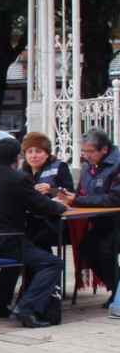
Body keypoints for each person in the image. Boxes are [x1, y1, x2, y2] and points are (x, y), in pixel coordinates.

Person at [0, 138, 68, 327]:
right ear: (18, 157)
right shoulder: (19, 178)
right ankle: (27, 308)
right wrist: (59, 205)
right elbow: (42, 207)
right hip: (8, 241)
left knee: (20, 258)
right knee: (53, 263)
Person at [68, 128, 120, 305]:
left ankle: (117, 292)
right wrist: (68, 197)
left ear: (104, 149)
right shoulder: (87, 168)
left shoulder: (117, 164)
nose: (87, 156)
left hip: (117, 221)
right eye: (84, 152)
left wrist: (80, 200)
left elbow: (115, 198)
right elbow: (80, 193)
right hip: (101, 221)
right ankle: (116, 288)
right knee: (86, 247)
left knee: (105, 251)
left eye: (90, 152)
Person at [19, 131, 74, 253]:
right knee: (19, 240)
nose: (33, 156)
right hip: (30, 219)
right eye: (29, 151)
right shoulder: (22, 172)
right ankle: (38, 270)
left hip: (54, 221)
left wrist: (51, 189)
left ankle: (48, 267)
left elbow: (70, 194)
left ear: (47, 154)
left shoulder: (59, 167)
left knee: (36, 242)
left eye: (38, 151)